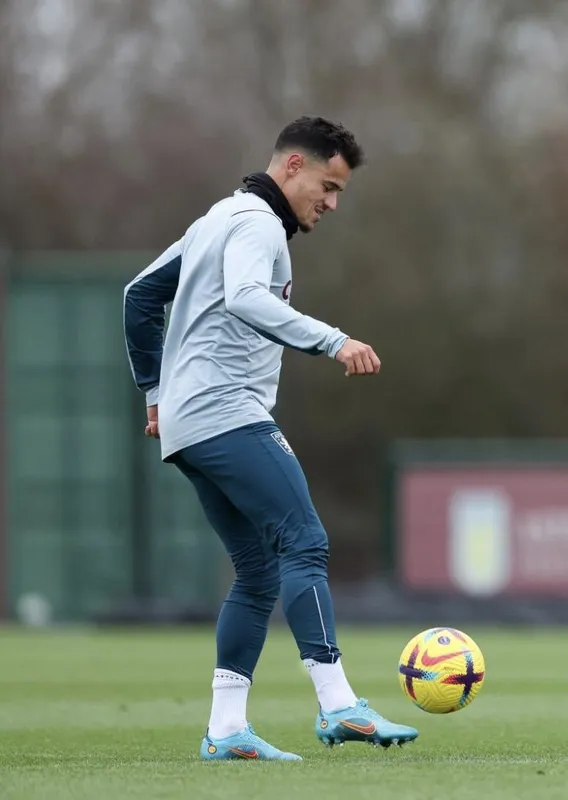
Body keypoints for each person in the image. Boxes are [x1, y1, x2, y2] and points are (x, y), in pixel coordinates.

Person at [123, 116, 418, 761]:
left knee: (257, 572)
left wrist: (155, 396)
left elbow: (140, 294)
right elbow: (245, 299)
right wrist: (334, 339)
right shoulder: (256, 222)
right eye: (328, 185)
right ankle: (340, 705)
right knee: (305, 540)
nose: (332, 203)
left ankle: (227, 729)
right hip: (226, 410)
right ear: (292, 166)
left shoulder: (215, 219)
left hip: (189, 421)